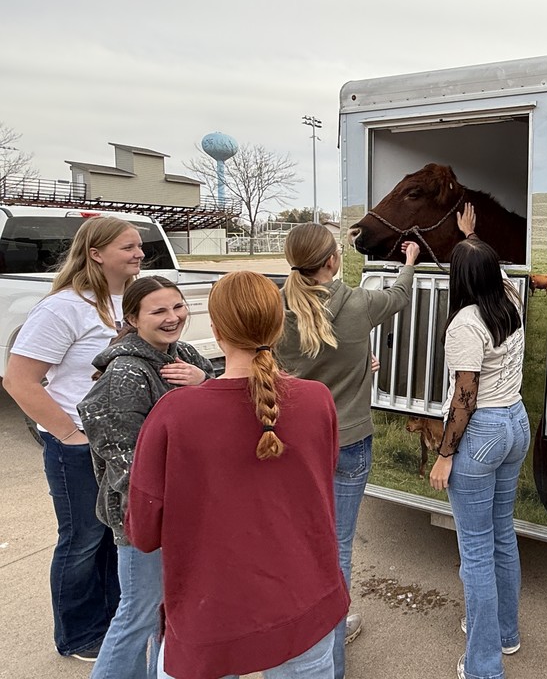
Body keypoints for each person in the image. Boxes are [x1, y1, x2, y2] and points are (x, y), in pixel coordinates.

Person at [125, 270, 346, 679]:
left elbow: (142, 532)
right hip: (305, 600)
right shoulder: (317, 400)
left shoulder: (175, 413)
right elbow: (316, 480)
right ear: (280, 324)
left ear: (215, 329)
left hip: (211, 614)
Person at [275, 224, 420, 679]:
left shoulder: (276, 310)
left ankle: (307, 643)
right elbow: (398, 296)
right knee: (337, 550)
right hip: (349, 441)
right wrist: (410, 262)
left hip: (294, 444)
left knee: (296, 544)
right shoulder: (357, 303)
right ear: (332, 262)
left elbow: (278, 366)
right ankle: (330, 660)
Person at [2, 216, 144, 661]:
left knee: (115, 535)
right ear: (96, 253)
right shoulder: (64, 307)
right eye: (129, 247)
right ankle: (80, 634)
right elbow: (19, 380)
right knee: (83, 538)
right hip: (77, 447)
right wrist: (69, 434)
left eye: (140, 245)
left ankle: (115, 621)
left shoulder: (135, 301)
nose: (140, 253)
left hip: (123, 445)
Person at [78, 276, 215, 679]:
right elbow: (128, 465)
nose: (173, 318)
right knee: (138, 613)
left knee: (164, 613)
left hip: (183, 513)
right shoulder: (126, 374)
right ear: (133, 319)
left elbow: (220, 414)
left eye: (177, 307)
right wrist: (165, 515)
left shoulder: (184, 354)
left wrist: (204, 383)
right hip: (145, 520)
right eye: (158, 311)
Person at [429, 235, 529, 679]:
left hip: (482, 431)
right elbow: (492, 266)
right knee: (502, 534)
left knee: (475, 549)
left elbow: (464, 399)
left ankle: (483, 665)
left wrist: (444, 454)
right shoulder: (508, 296)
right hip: (515, 422)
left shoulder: (465, 325)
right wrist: (470, 236)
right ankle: (505, 633)